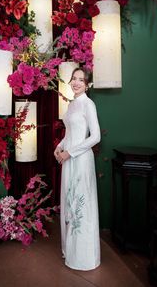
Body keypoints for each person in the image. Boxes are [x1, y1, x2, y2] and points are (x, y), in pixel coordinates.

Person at [54, 67, 101, 271]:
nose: (76, 82)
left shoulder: (88, 104)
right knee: (70, 203)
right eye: (74, 78)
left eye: (81, 80)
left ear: (87, 84)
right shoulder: (72, 104)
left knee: (81, 205)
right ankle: (70, 251)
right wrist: (59, 147)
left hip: (81, 160)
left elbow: (95, 137)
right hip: (70, 159)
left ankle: (84, 257)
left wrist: (70, 152)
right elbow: (71, 132)